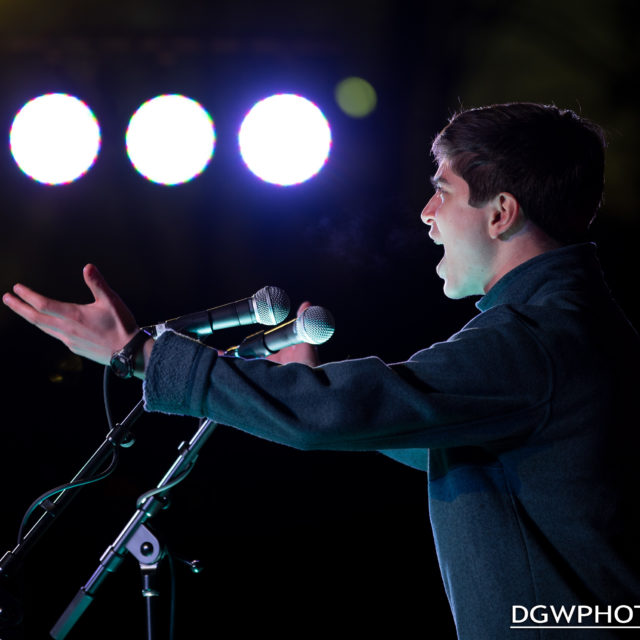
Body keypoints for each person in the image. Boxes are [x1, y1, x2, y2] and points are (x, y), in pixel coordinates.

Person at [4, 102, 640, 638]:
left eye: (441, 191)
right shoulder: (562, 325)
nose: (426, 214)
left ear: (501, 213)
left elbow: (351, 411)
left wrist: (140, 355)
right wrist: (304, 385)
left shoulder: (535, 340)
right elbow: (407, 422)